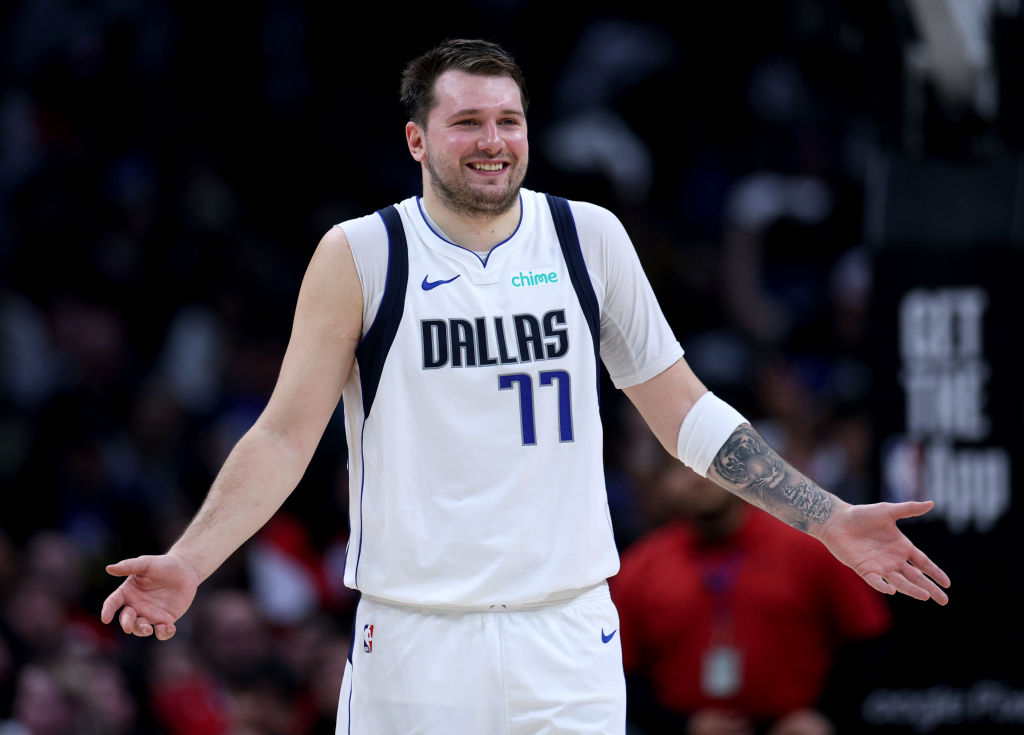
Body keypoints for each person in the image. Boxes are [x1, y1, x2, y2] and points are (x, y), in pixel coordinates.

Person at [100, 38, 950, 734]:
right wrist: (190, 560)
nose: (493, 139)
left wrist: (827, 517)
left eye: (508, 119)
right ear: (417, 140)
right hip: (413, 634)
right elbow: (284, 434)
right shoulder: (361, 253)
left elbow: (685, 411)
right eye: (467, 120)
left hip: (568, 629)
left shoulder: (589, 238)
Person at [612, 454, 892, 735]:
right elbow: (620, 671)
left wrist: (826, 715)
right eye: (680, 467)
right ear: (662, 484)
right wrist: (681, 726)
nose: (697, 477)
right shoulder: (640, 566)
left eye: (708, 462)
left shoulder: (808, 547)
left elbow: (867, 639)